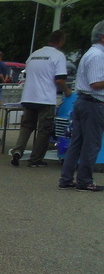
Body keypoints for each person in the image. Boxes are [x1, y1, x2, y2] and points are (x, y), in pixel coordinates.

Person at [10, 30, 72, 167]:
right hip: (45, 98)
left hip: (28, 96)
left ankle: (18, 150)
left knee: (26, 126)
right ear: (61, 41)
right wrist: (68, 91)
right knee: (44, 130)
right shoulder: (58, 56)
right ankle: (35, 159)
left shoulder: (34, 54)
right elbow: (59, 80)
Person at [58, 20, 104, 191]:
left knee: (77, 143)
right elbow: (96, 83)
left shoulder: (91, 53)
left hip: (83, 102)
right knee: (92, 144)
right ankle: (84, 180)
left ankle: (67, 178)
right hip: (93, 103)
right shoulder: (99, 56)